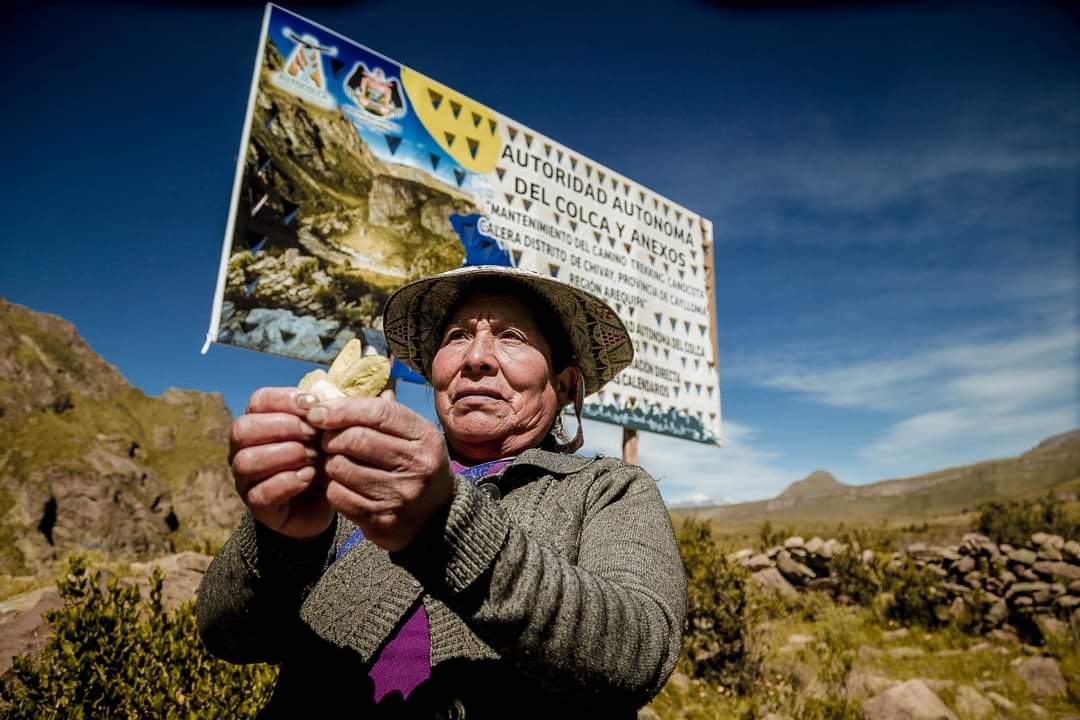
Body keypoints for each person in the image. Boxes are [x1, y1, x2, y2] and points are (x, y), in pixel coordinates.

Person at [197, 265, 687, 718]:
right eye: (457, 337)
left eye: (511, 336)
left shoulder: (607, 489)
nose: (476, 358)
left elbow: (639, 649)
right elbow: (227, 636)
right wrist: (285, 542)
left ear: (563, 383)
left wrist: (445, 525)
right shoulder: (347, 482)